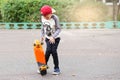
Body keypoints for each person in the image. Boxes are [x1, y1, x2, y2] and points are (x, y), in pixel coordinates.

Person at [40, 5, 61, 75]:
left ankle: (57, 68)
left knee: (53, 51)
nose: (46, 18)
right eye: (45, 16)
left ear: (51, 13)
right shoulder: (42, 17)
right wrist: (42, 36)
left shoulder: (55, 18)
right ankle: (43, 66)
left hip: (56, 38)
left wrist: (53, 37)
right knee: (48, 51)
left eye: (47, 16)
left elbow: (59, 29)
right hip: (47, 38)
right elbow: (43, 27)